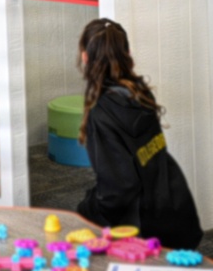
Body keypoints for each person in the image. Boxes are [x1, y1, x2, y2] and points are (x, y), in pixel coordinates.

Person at [75, 18, 203, 250]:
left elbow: (118, 190)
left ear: (85, 57)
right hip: (175, 209)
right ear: (128, 53)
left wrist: (86, 208)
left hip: (143, 232)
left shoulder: (103, 115)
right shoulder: (141, 94)